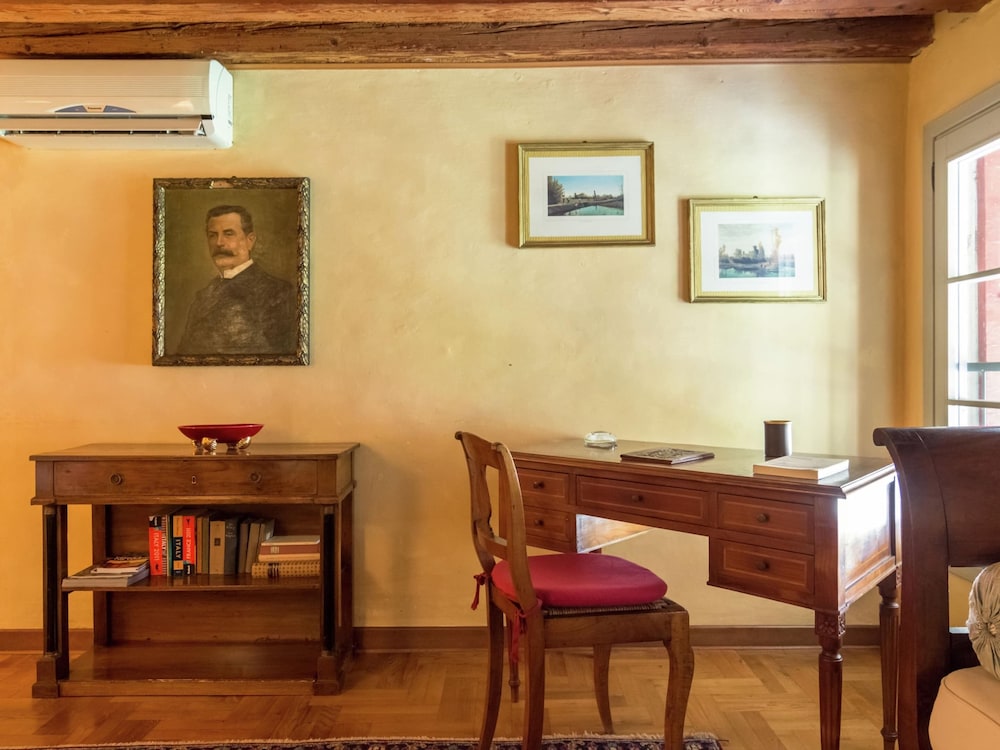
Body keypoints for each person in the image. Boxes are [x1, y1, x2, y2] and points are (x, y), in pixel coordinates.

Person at [177, 204, 297, 356]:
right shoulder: (202, 297)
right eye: (212, 235)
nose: (219, 243)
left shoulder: (278, 292)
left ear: (250, 240)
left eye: (228, 234)